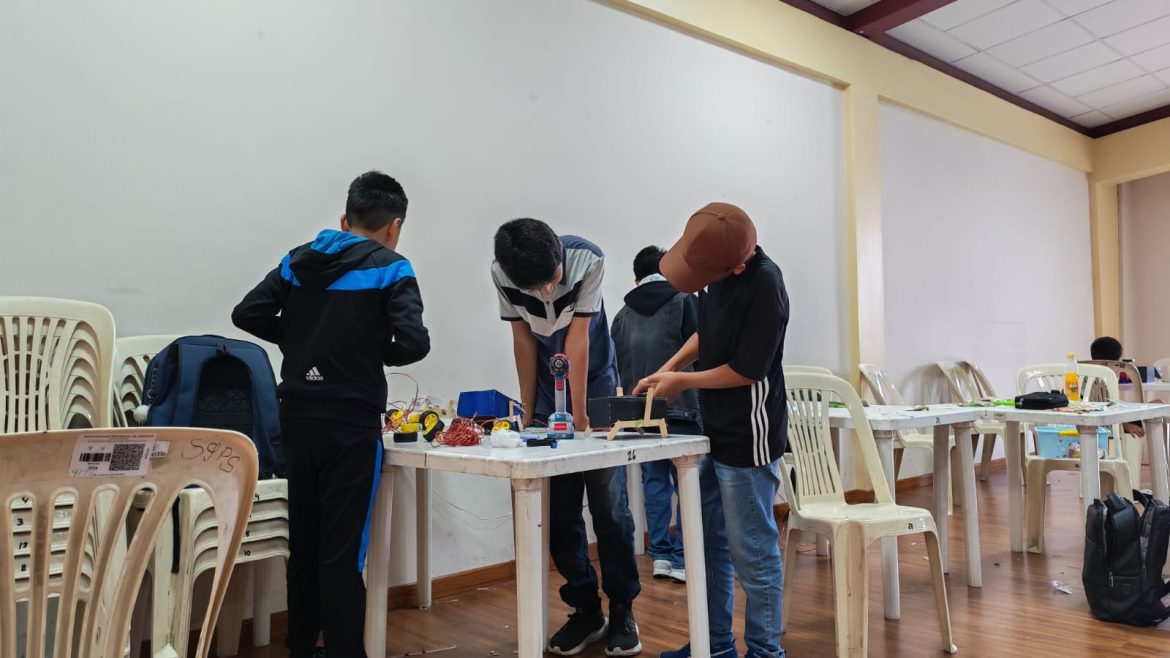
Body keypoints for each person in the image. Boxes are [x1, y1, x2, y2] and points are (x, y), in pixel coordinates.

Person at [233, 171, 430, 658]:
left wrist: (302, 342)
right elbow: (413, 343)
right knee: (342, 551)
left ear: (345, 219)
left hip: (296, 418)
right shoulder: (392, 268)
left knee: (304, 542)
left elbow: (247, 313)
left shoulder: (296, 261)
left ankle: (301, 647)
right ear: (395, 226)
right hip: (351, 422)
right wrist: (368, 350)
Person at [635, 203, 788, 658]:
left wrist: (683, 382)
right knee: (706, 546)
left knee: (753, 553)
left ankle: (765, 651)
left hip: (749, 437)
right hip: (713, 431)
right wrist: (670, 367)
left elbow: (746, 370)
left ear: (735, 266)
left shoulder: (765, 285)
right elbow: (708, 334)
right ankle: (713, 644)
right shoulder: (716, 271)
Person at [492, 218, 642, 656]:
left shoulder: (587, 259)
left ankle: (622, 608)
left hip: (593, 383)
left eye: (551, 280)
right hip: (546, 387)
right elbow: (522, 341)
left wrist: (580, 418)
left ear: (559, 251)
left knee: (609, 506)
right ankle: (586, 609)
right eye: (534, 287)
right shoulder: (503, 271)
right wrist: (527, 414)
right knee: (557, 509)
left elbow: (579, 340)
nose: (544, 292)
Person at [611, 246, 701, 584]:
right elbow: (702, 351)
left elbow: (617, 367)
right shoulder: (685, 301)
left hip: (639, 414)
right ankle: (683, 558)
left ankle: (661, 554)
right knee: (688, 483)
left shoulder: (621, 316)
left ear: (636, 279)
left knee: (655, 482)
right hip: (684, 407)